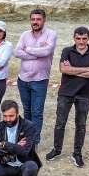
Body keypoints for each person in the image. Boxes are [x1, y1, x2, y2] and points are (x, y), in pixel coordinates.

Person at [45, 27, 89, 168]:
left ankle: (77, 153)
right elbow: (63, 69)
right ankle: (57, 149)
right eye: (78, 38)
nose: (81, 41)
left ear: (88, 38)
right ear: (74, 38)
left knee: (81, 125)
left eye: (84, 38)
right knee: (60, 123)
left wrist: (73, 70)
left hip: (85, 94)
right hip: (66, 93)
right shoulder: (67, 51)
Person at [14, 8, 57, 147]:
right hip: (23, 79)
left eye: (38, 19)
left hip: (39, 80)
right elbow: (16, 52)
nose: (35, 22)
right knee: (27, 111)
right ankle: (27, 139)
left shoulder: (51, 34)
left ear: (44, 20)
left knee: (37, 112)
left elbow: (47, 51)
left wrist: (28, 49)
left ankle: (35, 142)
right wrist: (38, 52)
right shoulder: (25, 35)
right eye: (33, 19)